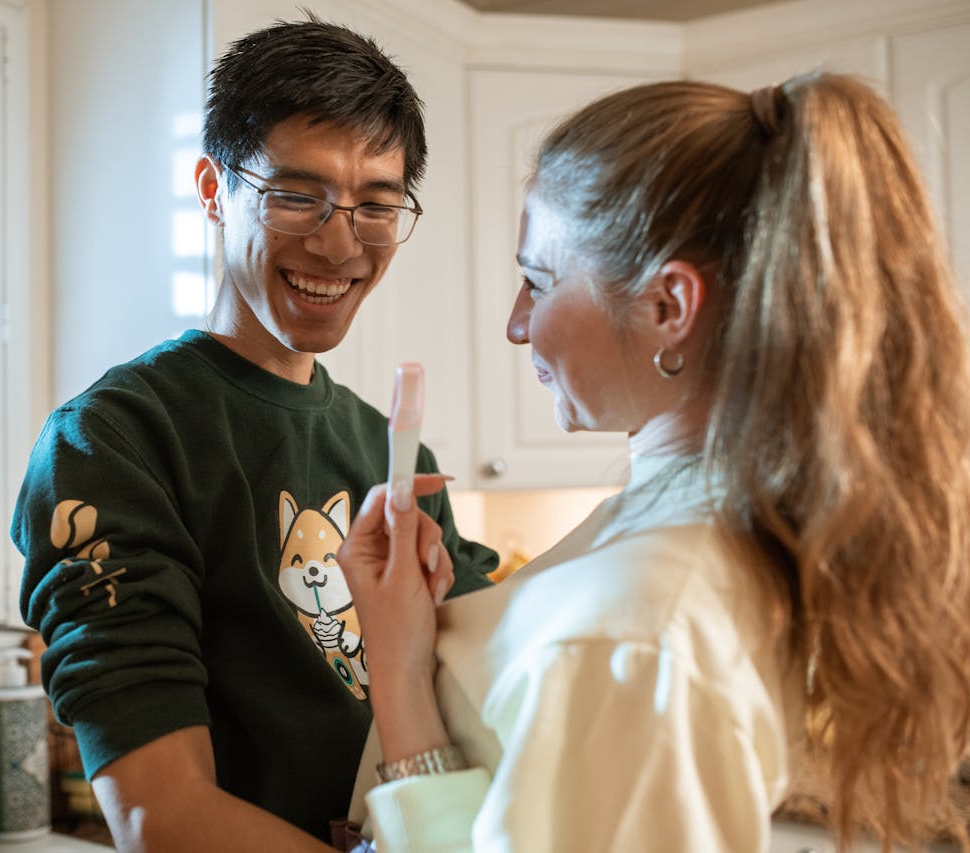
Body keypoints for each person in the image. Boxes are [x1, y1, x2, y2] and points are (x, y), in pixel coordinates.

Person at [338, 71, 970, 852]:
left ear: (669, 308)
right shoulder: (705, 527)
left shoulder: (640, 623)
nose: (515, 323)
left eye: (538, 280)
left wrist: (399, 676)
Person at [10, 16, 498, 851]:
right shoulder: (112, 442)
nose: (340, 243)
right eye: (296, 195)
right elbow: (161, 816)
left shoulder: (389, 451)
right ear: (212, 188)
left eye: (377, 206)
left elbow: (491, 699)